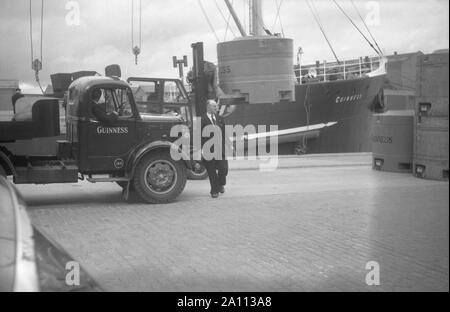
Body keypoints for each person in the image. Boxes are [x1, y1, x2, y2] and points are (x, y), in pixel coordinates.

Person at [201, 99, 230, 199]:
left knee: (223, 168)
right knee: (211, 171)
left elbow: (224, 133)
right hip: (208, 150)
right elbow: (198, 136)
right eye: (214, 106)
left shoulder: (220, 118)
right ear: (208, 107)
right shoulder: (202, 119)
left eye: (216, 106)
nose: (216, 108)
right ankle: (214, 191)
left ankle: (221, 183)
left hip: (220, 149)